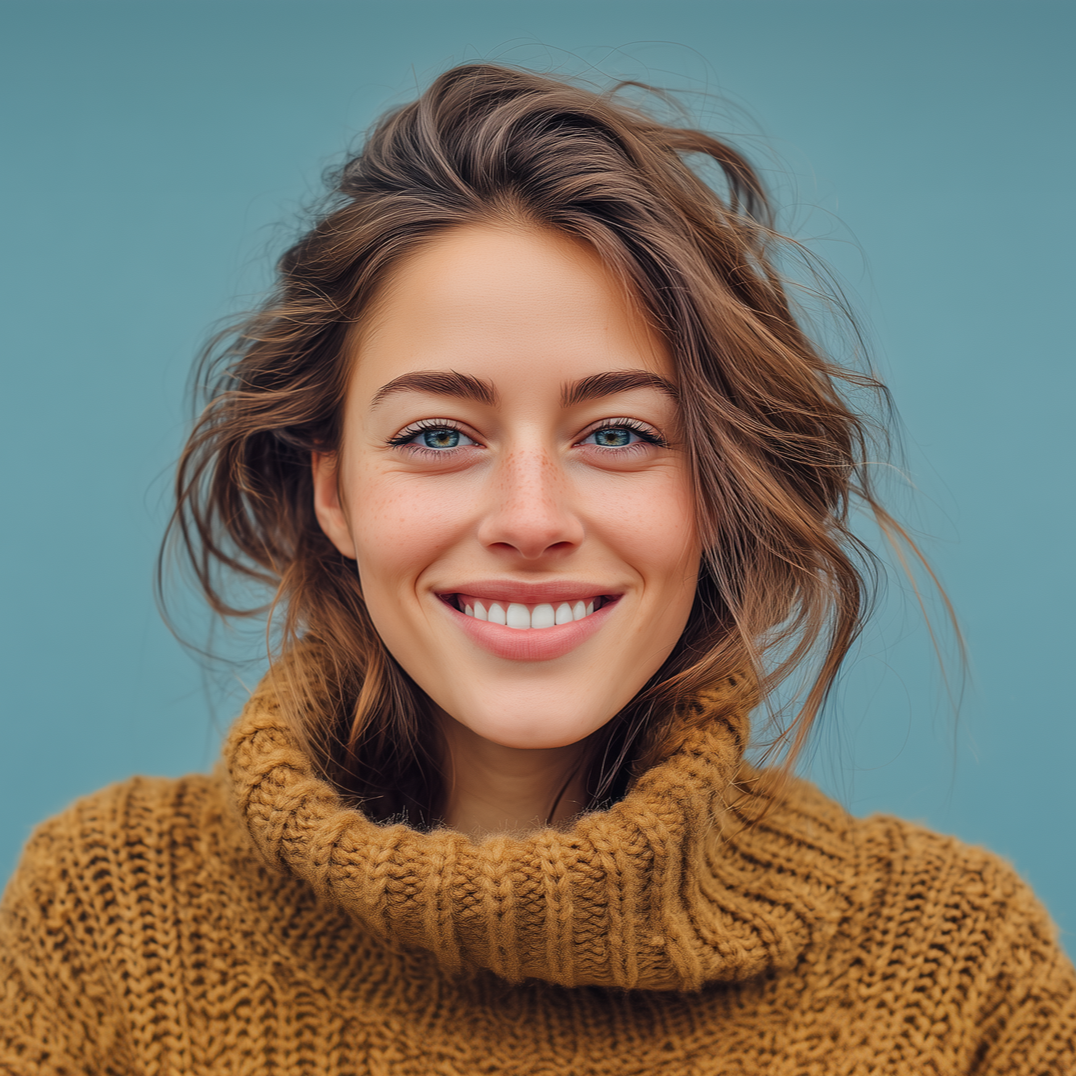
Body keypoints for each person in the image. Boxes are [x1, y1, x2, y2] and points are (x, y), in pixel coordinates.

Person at [2, 62, 1073, 1074]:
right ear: (332, 489)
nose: (530, 519)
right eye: (436, 434)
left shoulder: (959, 976)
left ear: (717, 490)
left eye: (618, 434)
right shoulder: (104, 926)